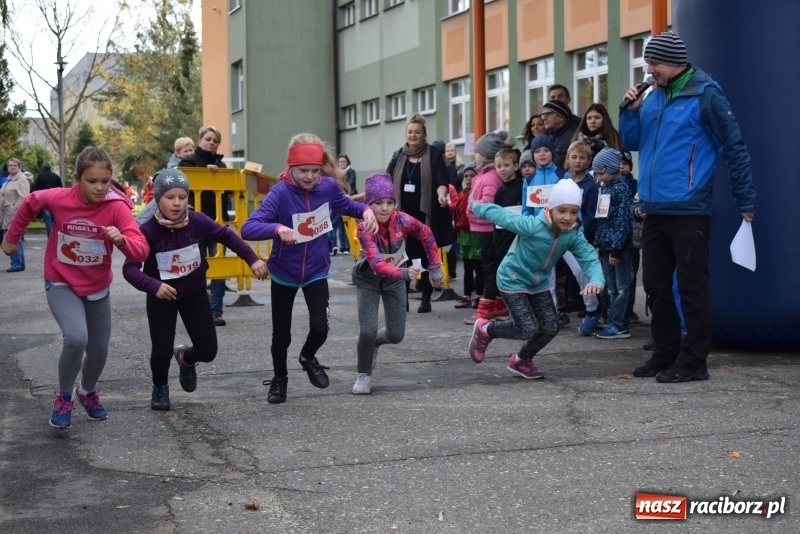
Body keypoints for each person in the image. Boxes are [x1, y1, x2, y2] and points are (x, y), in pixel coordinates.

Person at [619, 31, 757, 382]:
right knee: (655, 286)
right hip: (653, 207)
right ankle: (665, 353)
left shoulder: (705, 95)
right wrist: (630, 112)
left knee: (691, 289)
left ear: (674, 62)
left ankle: (694, 362)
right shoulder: (652, 96)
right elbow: (633, 143)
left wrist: (746, 199)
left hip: (689, 208)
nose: (649, 70)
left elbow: (735, 148)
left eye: (654, 63)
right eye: (648, 63)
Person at [1, 147, 149, 429]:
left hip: (97, 287)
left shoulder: (116, 207)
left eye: (105, 181)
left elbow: (141, 250)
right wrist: (11, 238)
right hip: (61, 281)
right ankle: (65, 396)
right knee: (76, 337)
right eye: (91, 181)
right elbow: (31, 201)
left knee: (99, 350)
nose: (99, 188)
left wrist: (121, 241)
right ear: (77, 178)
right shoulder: (60, 198)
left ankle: (87, 391)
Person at [241, 133, 377, 404]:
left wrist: (366, 211)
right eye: (303, 171)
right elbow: (248, 227)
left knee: (320, 328)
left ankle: (307, 356)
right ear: (290, 167)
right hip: (284, 272)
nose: (309, 177)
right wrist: (277, 228)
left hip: (316, 269)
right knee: (281, 336)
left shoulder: (326, 187)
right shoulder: (279, 193)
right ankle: (280, 379)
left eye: (315, 171)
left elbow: (347, 205)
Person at [122, 169, 267, 411]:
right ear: (158, 199)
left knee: (208, 351)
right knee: (161, 350)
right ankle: (160, 387)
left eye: (182, 196)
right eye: (170, 197)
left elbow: (227, 236)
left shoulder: (197, 221)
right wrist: (154, 285)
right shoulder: (147, 231)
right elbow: (130, 268)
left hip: (195, 292)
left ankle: (186, 358)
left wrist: (252, 259)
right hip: (162, 297)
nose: (177, 203)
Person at [468, 179, 604, 378]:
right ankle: (486, 329)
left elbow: (589, 257)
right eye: (562, 210)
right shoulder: (532, 226)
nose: (567, 217)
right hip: (512, 279)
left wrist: (595, 280)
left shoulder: (572, 234)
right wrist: (476, 205)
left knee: (550, 327)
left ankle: (521, 360)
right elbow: (502, 215)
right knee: (528, 328)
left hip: (538, 283)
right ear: (551, 207)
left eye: (573, 212)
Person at [351, 173, 443, 394]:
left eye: (389, 202)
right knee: (367, 331)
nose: (384, 208)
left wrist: (435, 267)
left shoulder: (403, 220)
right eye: (378, 203)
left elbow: (427, 235)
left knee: (395, 335)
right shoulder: (365, 227)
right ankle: (364, 374)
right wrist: (403, 273)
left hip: (394, 283)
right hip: (368, 280)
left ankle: (375, 344)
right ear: (368, 205)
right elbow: (376, 264)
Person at [386, 113, 453, 313]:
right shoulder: (399, 155)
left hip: (426, 215)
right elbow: (386, 180)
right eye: (410, 132)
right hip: (401, 216)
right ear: (406, 134)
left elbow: (441, 182)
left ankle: (425, 299)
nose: (413, 135)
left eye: (417, 132)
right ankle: (403, 298)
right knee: (402, 256)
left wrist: (442, 195)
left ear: (424, 135)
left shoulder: (432, 155)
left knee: (423, 257)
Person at [178, 126, 231, 326]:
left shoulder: (223, 165)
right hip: (194, 225)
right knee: (195, 268)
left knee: (219, 270)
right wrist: (203, 172)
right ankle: (199, 309)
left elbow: (229, 194)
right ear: (200, 139)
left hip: (217, 225)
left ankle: (216, 311)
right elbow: (182, 174)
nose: (211, 143)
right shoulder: (190, 162)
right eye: (208, 139)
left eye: (215, 141)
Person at [464, 130, 511, 324]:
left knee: (489, 267)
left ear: (486, 153)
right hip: (480, 228)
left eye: (477, 151)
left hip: (487, 228)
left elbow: (488, 208)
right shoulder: (482, 174)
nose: (474, 154)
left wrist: (472, 210)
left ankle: (489, 303)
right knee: (489, 266)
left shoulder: (490, 177)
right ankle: (498, 302)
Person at [590, 148, 634, 340]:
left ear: (611, 168)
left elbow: (623, 221)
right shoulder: (605, 187)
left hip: (619, 248)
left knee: (623, 286)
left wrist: (617, 248)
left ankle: (620, 324)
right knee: (611, 287)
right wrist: (599, 243)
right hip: (606, 245)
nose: (599, 177)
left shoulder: (621, 188)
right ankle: (612, 321)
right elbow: (602, 218)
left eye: (601, 172)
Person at [562, 141, 601, 335]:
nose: (577, 161)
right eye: (574, 157)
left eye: (582, 157)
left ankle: (592, 310)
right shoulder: (563, 180)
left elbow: (591, 215)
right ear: (568, 159)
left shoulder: (590, 186)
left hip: (578, 237)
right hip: (557, 234)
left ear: (589, 161)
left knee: (581, 272)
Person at [491, 147, 523, 322]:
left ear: (516, 166)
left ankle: (519, 313)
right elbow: (497, 220)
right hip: (503, 240)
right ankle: (510, 311)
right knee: (506, 276)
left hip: (518, 239)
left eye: (506, 165)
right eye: (498, 166)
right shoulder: (500, 191)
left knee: (518, 276)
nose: (502, 169)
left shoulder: (522, 187)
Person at [453, 164, 483, 310]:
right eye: (466, 176)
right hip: (464, 235)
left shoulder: (479, 193)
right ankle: (466, 297)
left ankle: (479, 296)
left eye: (472, 175)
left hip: (476, 234)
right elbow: (457, 212)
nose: (469, 179)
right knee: (467, 267)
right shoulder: (462, 193)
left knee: (479, 267)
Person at [0, 158, 30, 272]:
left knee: (11, 238)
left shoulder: (21, 179)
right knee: (15, 238)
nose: (12, 167)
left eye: (15, 165)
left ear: (19, 167)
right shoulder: (9, 179)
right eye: (10, 165)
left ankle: (16, 264)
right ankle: (19, 263)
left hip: (13, 214)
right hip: (6, 214)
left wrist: (14, 209)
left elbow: (24, 197)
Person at [539, 100, 580, 168]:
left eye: (548, 114)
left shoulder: (574, 136)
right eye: (543, 115)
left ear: (561, 117)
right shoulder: (546, 137)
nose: (544, 118)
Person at [33, 162, 63, 237]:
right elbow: (61, 188)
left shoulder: (40, 177)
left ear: (43, 168)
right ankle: (55, 234)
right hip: (55, 200)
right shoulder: (56, 176)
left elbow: (37, 189)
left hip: (45, 200)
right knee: (55, 218)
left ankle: (50, 235)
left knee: (48, 219)